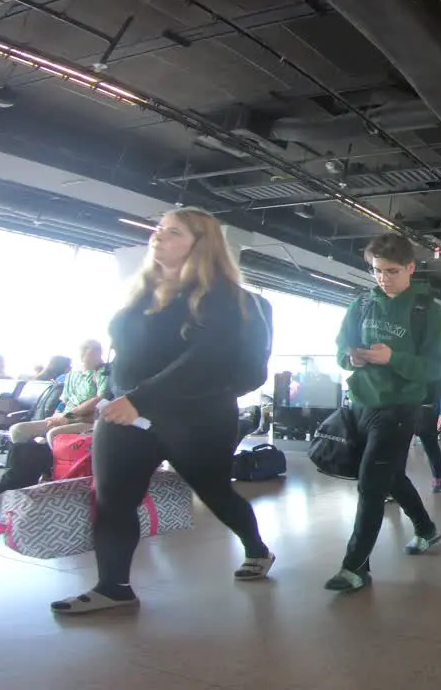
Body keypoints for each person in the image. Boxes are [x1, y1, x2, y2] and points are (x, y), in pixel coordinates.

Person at [51, 208, 273, 615]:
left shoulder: (227, 298)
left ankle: (257, 548)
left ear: (199, 244)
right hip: (126, 414)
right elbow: (125, 360)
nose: (158, 237)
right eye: (158, 229)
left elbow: (207, 359)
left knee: (215, 491)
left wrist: (143, 398)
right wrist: (113, 399)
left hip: (196, 417)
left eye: (172, 232)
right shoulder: (139, 296)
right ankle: (113, 586)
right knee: (113, 499)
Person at [327, 234, 441, 593]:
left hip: (399, 407)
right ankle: (426, 528)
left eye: (392, 271)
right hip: (361, 403)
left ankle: (355, 566)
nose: (383, 278)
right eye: (377, 270)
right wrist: (352, 357)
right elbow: (340, 349)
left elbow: (434, 367)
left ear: (411, 267)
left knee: (371, 482)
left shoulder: (427, 310)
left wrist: (392, 358)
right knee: (389, 474)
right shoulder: (362, 304)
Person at [9, 340, 109, 448]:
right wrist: (56, 416)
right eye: (85, 350)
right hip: (65, 417)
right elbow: (64, 401)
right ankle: (29, 461)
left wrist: (68, 416)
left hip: (86, 420)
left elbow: (99, 400)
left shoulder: (103, 373)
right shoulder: (72, 375)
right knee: (18, 430)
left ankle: (56, 463)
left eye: (94, 350)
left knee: (53, 434)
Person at [413, 377, 441, 493]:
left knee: (430, 445)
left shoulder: (437, 366)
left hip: (427, 410)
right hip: (407, 409)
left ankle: (439, 477)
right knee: (399, 449)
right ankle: (394, 482)